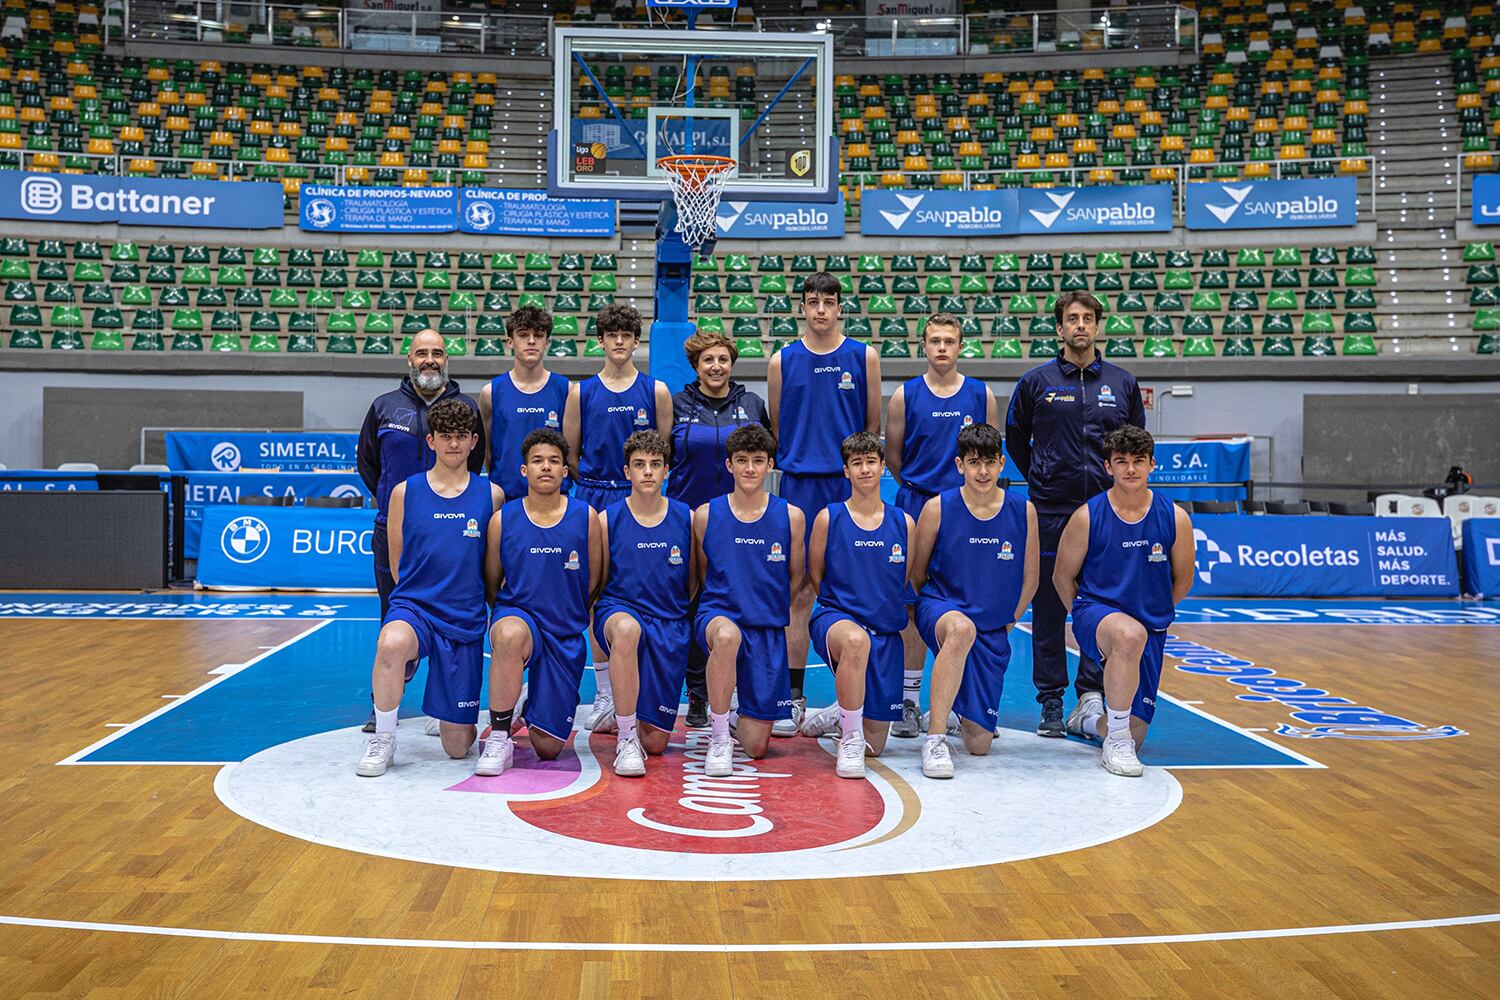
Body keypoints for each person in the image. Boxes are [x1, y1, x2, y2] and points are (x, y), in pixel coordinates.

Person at [1004, 290, 1145, 740]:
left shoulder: (1122, 383)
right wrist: (1044, 478)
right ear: (1060, 328)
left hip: (1107, 511)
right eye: (1072, 318)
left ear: (1098, 326)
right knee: (1048, 604)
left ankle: (1091, 692)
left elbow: (1133, 445)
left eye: (1088, 318)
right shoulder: (1036, 382)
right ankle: (1050, 698)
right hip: (1050, 509)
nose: (1080, 325)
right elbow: (1015, 439)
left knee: (1098, 601)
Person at [357, 399, 503, 776]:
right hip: (416, 608)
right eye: (445, 437)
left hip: (464, 616)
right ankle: (384, 738)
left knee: (457, 749)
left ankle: (450, 714)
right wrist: (414, 603)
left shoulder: (492, 495)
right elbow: (396, 564)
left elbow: (492, 567)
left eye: (460, 437)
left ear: (473, 441)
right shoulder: (405, 493)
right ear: (431, 441)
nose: (453, 445)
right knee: (390, 642)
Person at [767, 271, 881, 737]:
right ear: (802, 307)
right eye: (812, 301)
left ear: (839, 307)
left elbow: (871, 426)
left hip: (845, 486)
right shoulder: (781, 361)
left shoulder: (863, 356)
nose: (819, 310)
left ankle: (845, 701)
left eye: (827, 302)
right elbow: (777, 428)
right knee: (796, 591)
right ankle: (793, 697)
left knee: (849, 591)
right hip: (796, 485)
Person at [356, 327, 485, 732]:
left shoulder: (465, 408)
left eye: (438, 353)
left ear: (447, 360)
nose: (430, 360)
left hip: (452, 528)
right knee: (395, 616)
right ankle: (383, 707)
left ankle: (441, 703)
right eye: (422, 353)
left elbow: (475, 464)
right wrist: (397, 504)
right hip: (394, 528)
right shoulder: (383, 407)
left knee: (451, 614)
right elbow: (368, 463)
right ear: (408, 360)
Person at [1052, 425, 1194, 777]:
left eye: (1138, 461)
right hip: (1097, 612)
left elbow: (1183, 580)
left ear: (1151, 465)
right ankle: (1116, 743)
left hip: (1150, 625)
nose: (1130, 469)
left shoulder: (1175, 518)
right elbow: (1061, 577)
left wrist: (1153, 615)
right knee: (1127, 635)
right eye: (1122, 461)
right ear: (1107, 467)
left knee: (1137, 730)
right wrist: (1086, 622)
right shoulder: (1087, 516)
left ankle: (1090, 721)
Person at [883, 313, 998, 738]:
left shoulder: (981, 395)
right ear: (924, 346)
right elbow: (894, 457)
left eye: (950, 340)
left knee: (965, 601)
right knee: (911, 602)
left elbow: (988, 450)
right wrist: (924, 491)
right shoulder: (904, 396)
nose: (943, 348)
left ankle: (958, 702)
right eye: (935, 341)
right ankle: (909, 701)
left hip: (968, 508)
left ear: (961, 345)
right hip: (916, 502)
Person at [562, 303, 672, 733]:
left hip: (639, 495)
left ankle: (639, 684)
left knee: (640, 587)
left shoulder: (656, 391)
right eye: (612, 335)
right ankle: (606, 692)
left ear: (636, 340)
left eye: (627, 334)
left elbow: (663, 452)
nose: (620, 342)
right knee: (595, 594)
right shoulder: (581, 392)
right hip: (594, 494)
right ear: (602, 341)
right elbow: (571, 452)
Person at [909, 423, 1038, 779]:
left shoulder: (1023, 511)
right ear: (959, 465)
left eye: (989, 463)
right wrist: (935, 612)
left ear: (1001, 464)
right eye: (973, 462)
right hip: (943, 608)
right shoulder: (937, 508)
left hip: (992, 625)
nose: (982, 471)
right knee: (961, 629)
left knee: (979, 745)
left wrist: (1008, 620)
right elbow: (917, 574)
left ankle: (952, 709)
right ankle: (934, 738)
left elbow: (1031, 579)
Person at [476, 428, 602, 775]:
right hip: (521, 618)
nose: (545, 467)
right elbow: (492, 582)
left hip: (564, 632)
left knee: (548, 749)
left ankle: (527, 697)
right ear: (524, 470)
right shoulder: (503, 520)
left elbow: (593, 581)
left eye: (553, 461)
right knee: (508, 634)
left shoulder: (586, 517)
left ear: (565, 471)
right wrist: (508, 617)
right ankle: (499, 736)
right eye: (537, 461)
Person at [666, 329, 770, 728]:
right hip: (685, 519)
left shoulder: (752, 404)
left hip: (738, 519)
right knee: (692, 603)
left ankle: (744, 690)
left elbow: (762, 458)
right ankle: (697, 693)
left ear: (732, 363)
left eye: (722, 359)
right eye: (708, 360)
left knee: (738, 599)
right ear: (696, 365)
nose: (715, 366)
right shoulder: (675, 404)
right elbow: (660, 454)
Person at [797, 431, 915, 779]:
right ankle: (849, 736)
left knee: (876, 746)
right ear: (846, 471)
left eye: (871, 462)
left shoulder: (904, 523)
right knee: (855, 641)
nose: (864, 469)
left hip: (885, 633)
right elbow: (816, 575)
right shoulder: (829, 518)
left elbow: (903, 578)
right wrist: (845, 613)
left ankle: (842, 711)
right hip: (837, 620)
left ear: (882, 468)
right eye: (856, 463)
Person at [693, 424, 804, 777]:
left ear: (770, 464)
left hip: (767, 629)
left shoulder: (791, 516)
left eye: (758, 460)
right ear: (729, 466)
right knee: (726, 637)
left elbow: (795, 577)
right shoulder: (706, 515)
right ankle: (720, 735)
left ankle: (741, 712)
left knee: (756, 748)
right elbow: (702, 573)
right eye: (742, 460)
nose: (750, 469)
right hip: (719, 618)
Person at [594, 430, 697, 776]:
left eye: (655, 465)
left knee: (656, 743)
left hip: (669, 623)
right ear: (627, 472)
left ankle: (624, 712)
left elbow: (694, 579)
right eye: (640, 465)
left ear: (667, 470)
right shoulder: (607, 519)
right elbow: (599, 581)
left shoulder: (687, 517)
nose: (648, 472)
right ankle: (625, 737)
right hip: (621, 611)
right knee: (626, 629)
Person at [480, 307, 570, 503]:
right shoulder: (491, 393)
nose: (531, 341)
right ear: (510, 341)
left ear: (547, 342)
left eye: (538, 335)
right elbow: (488, 451)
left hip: (555, 498)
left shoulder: (566, 389)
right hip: (507, 498)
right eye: (523, 335)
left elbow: (572, 449)